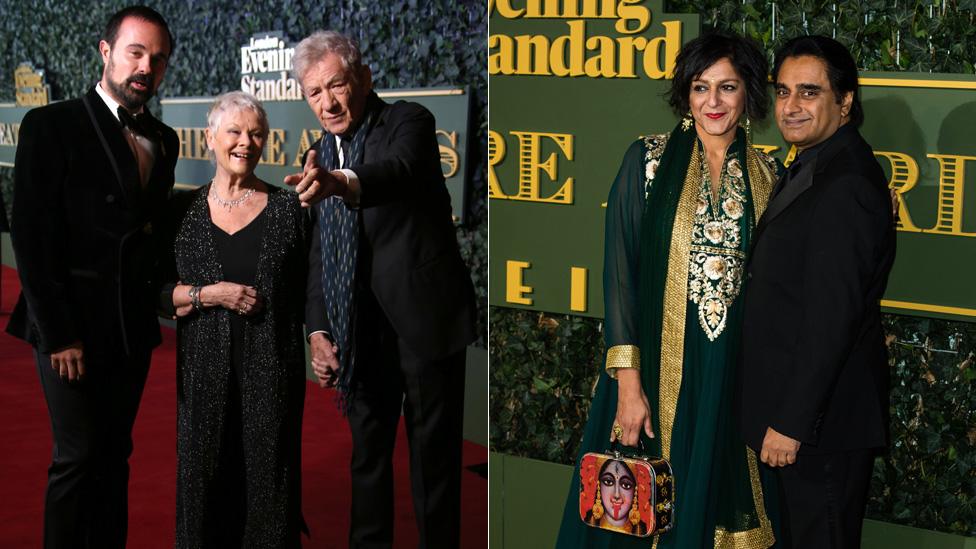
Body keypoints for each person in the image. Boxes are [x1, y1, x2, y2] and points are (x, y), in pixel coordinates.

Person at [555, 32, 781, 548]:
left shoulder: (770, 174)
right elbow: (619, 280)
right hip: (654, 376)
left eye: (728, 87)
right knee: (637, 512)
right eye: (702, 88)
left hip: (732, 378)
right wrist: (629, 389)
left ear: (748, 92)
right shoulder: (647, 162)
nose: (714, 102)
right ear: (686, 92)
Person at [285, 30, 477, 548]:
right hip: (358, 331)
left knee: (433, 464)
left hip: (424, 323)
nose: (328, 102)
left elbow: (399, 171)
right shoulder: (319, 152)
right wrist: (319, 328)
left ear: (364, 79)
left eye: (337, 85)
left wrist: (341, 182)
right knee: (367, 459)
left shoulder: (408, 122)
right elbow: (321, 252)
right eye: (314, 93)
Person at [5, 6, 178, 547]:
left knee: (115, 456)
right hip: (69, 328)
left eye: (158, 58)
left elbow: (150, 230)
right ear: (105, 53)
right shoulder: (50, 124)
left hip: (129, 329)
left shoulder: (165, 140)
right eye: (135, 52)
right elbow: (31, 237)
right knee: (77, 457)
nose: (146, 66)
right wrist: (58, 333)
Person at [737, 35, 896, 549]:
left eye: (809, 92)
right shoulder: (813, 166)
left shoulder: (846, 182)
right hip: (802, 425)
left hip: (818, 432)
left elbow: (833, 319)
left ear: (845, 101)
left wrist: (791, 423)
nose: (791, 106)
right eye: (783, 92)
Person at [157, 91, 308, 547]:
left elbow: (310, 292)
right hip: (202, 379)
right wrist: (210, 295)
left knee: (268, 488)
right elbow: (160, 294)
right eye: (235, 131)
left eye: (257, 133)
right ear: (210, 138)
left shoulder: (289, 210)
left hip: (272, 379)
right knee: (205, 486)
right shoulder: (181, 212)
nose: (247, 142)